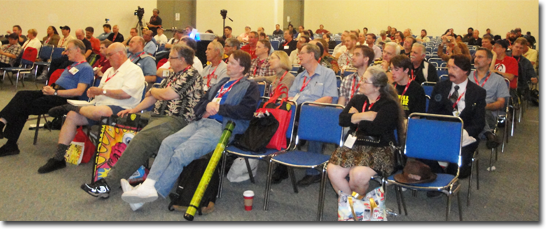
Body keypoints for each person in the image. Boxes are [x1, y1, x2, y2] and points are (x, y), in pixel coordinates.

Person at [118, 50, 260, 206]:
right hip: (201, 123)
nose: (228, 65)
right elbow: (200, 103)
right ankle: (145, 189)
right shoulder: (222, 82)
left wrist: (219, 108)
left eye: (232, 62)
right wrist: (207, 106)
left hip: (221, 127)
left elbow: (246, 112)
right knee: (167, 143)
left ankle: (146, 192)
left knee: (181, 154)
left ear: (242, 68)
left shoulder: (249, 87)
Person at [80, 44, 204, 210]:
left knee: (143, 138)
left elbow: (168, 94)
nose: (168, 60)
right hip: (158, 116)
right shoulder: (174, 75)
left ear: (182, 59)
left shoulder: (191, 74)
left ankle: (108, 183)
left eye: (172, 58)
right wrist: (134, 109)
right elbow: (152, 97)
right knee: (125, 121)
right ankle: (127, 172)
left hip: (178, 120)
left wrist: (154, 92)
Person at [37, 42, 145, 173]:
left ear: (121, 53)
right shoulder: (109, 71)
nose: (107, 58)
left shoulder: (134, 70)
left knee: (102, 111)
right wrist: (95, 92)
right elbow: (101, 92)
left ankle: (69, 107)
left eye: (109, 55)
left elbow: (126, 94)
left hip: (123, 109)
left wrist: (102, 92)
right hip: (95, 107)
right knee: (72, 117)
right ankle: (58, 158)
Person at [0, 40, 93, 156]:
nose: (65, 52)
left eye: (68, 50)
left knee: (22, 106)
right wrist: (51, 89)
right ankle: (2, 124)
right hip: (54, 91)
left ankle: (10, 142)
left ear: (78, 50)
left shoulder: (86, 68)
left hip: (63, 98)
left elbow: (79, 91)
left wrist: (55, 92)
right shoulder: (72, 65)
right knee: (21, 95)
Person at [327, 66, 405, 197]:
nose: (360, 83)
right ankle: (353, 207)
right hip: (354, 145)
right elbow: (342, 119)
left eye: (365, 81)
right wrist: (365, 115)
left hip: (380, 149)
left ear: (377, 87)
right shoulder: (358, 99)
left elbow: (376, 129)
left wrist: (355, 117)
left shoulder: (388, 105)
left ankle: (354, 209)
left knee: (357, 175)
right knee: (332, 170)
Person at [271, 43, 338, 185]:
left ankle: (313, 172)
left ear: (312, 55)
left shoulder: (328, 74)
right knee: (282, 120)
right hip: (299, 111)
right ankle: (282, 165)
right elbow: (291, 95)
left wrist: (306, 108)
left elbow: (329, 98)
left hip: (317, 112)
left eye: (301, 53)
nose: (298, 56)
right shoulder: (300, 76)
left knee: (311, 120)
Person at [420, 54, 486, 187]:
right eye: (448, 67)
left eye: (454, 68)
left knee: (460, 170)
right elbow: (431, 114)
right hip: (441, 132)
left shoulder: (477, 92)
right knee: (421, 154)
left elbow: (479, 123)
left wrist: (461, 134)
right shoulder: (440, 87)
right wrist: (442, 131)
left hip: (464, 135)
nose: (449, 71)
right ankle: (440, 179)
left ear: (465, 71)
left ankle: (445, 178)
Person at [468, 48, 508, 149]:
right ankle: (488, 134)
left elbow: (501, 103)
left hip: (488, 113)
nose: (476, 59)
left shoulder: (499, 80)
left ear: (489, 60)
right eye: (475, 56)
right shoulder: (467, 76)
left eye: (480, 57)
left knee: (479, 111)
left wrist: (484, 106)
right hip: (466, 110)